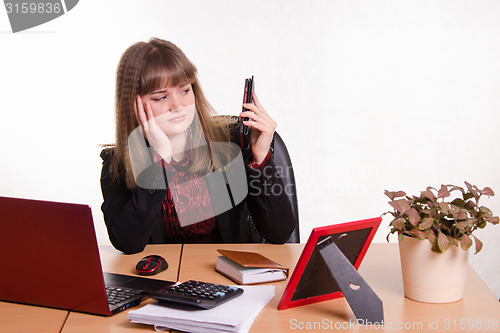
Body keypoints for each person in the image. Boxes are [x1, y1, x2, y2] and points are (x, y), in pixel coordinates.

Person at [100, 38, 297, 254]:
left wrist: (260, 159)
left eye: (184, 90)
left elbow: (280, 233)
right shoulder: (116, 164)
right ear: (134, 104)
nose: (178, 106)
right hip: (164, 283)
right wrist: (161, 162)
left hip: (227, 278)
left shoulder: (230, 142)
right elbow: (128, 243)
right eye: (161, 97)